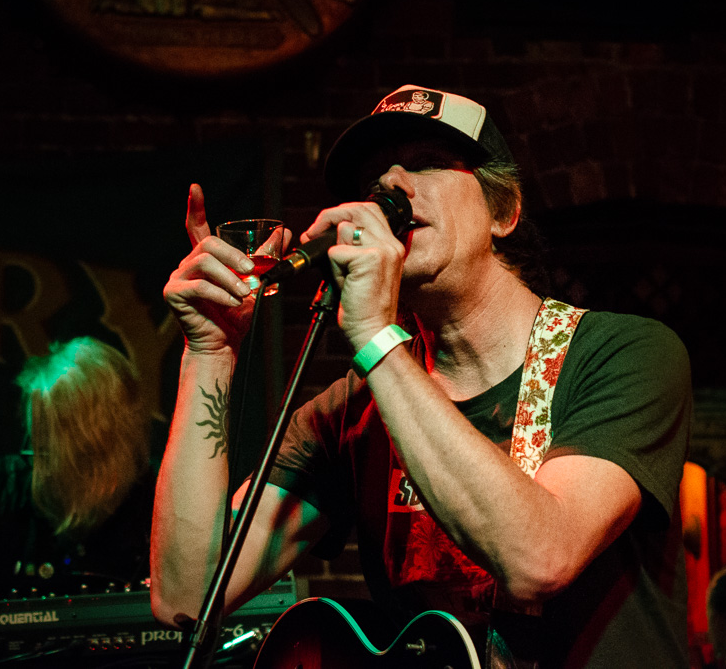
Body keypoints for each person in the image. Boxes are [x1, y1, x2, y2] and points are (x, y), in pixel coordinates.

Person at [151, 85, 692, 667]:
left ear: (504, 211)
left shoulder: (622, 354)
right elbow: (186, 595)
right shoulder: (350, 412)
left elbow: (540, 560)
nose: (392, 185)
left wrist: (375, 337)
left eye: (429, 162)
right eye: (374, 180)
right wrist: (209, 351)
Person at [0, 336, 154, 598]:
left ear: (114, 443)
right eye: (41, 447)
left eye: (67, 453)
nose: (47, 466)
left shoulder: (161, 499)